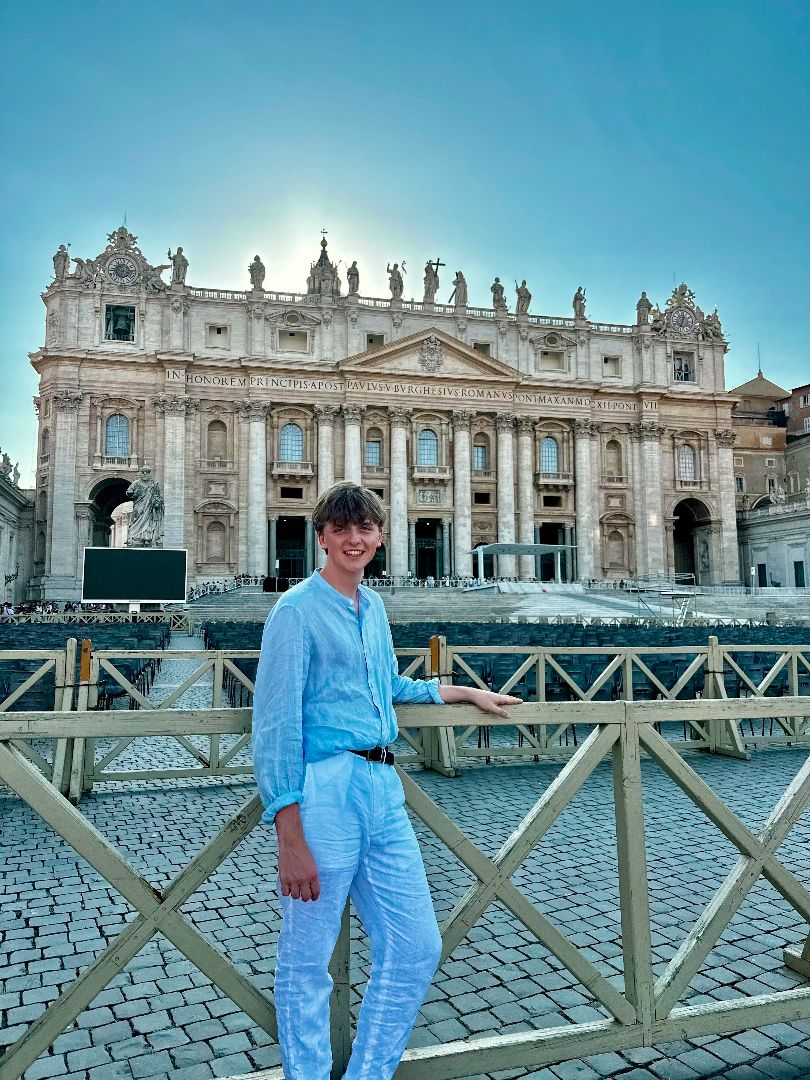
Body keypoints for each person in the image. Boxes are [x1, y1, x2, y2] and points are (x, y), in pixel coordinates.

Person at [252, 482, 519, 1080]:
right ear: (321, 536)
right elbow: (273, 726)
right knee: (306, 959)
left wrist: (462, 690)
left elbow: (391, 688)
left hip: (382, 787)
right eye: (342, 529)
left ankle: (368, 1073)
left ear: (379, 536)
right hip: (324, 793)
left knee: (418, 945)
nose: (355, 539)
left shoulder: (372, 608)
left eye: (365, 529)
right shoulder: (293, 611)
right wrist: (288, 831)